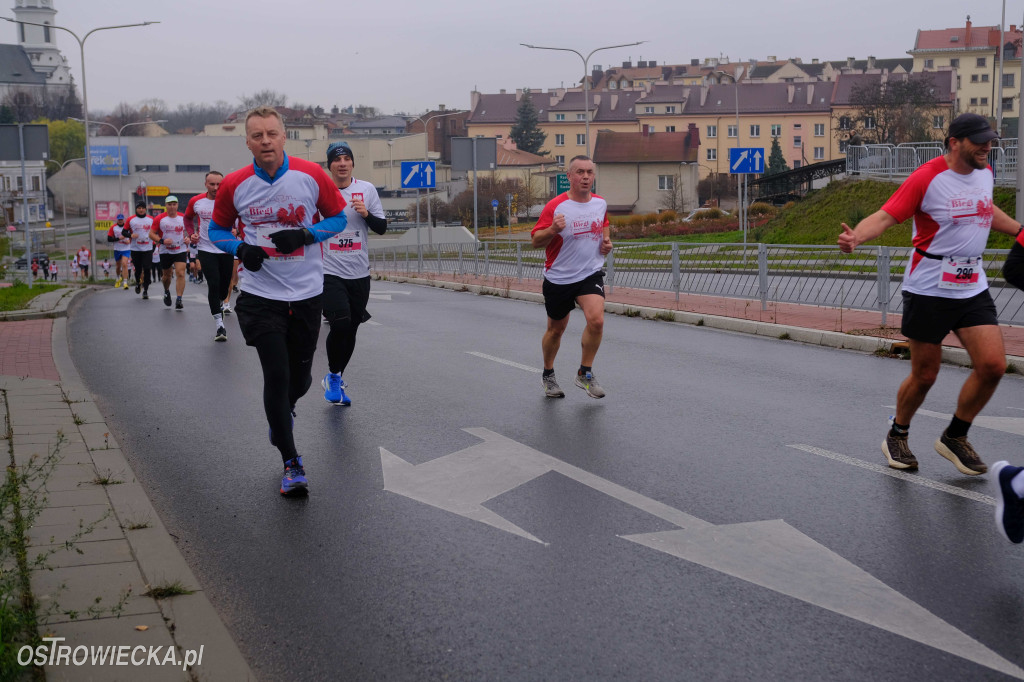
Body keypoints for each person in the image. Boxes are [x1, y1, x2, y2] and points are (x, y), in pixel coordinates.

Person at [838, 113, 1020, 476]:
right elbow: (887, 216)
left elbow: (986, 210)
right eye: (980, 141)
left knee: (993, 366)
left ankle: (955, 436)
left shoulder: (985, 173)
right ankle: (897, 434)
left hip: (971, 284)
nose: (988, 146)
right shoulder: (927, 177)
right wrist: (856, 236)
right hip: (929, 286)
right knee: (925, 374)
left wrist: (1020, 230)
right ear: (954, 142)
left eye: (990, 140)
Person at [208, 106, 347, 496]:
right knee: (277, 374)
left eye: (271, 134)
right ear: (247, 141)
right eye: (257, 135)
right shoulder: (235, 184)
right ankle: (291, 463)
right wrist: (240, 247)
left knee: (300, 380)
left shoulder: (311, 175)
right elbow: (216, 230)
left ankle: (281, 416)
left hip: (306, 293)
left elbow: (337, 219)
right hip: (260, 294)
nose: (265, 141)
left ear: (284, 137)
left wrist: (305, 236)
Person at [531, 155, 613, 399]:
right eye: (580, 172)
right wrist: (553, 229)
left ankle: (584, 373)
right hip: (559, 277)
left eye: (589, 172)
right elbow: (535, 241)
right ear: (569, 177)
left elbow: (604, 225)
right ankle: (548, 374)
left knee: (596, 320)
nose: (585, 176)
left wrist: (606, 244)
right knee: (556, 330)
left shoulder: (600, 203)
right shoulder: (556, 206)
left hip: (589, 273)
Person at [318, 142, 387, 405]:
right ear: (330, 165)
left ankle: (335, 374)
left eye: (347, 158)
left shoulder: (366, 190)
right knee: (340, 323)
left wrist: (366, 213)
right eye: (337, 160)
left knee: (352, 329)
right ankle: (334, 379)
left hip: (359, 272)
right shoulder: (321, 191)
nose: (342, 163)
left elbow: (381, 228)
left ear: (353, 164)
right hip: (328, 270)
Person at [185, 171, 234, 342]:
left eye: (218, 184)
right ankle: (219, 325)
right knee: (213, 284)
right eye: (212, 184)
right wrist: (192, 234)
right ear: (205, 184)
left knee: (224, 286)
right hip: (206, 248)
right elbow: (187, 218)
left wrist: (237, 230)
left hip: (226, 248)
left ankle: (220, 301)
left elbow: (241, 219)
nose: (215, 188)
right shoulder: (196, 201)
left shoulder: (230, 200)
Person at [149, 196, 189, 310]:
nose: (172, 207)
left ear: (177, 205)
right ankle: (166, 291)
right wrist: (162, 241)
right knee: (166, 276)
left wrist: (188, 238)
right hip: (165, 251)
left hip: (180, 249)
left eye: (174, 204)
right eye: (169, 204)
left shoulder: (183, 217)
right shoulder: (160, 218)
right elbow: (151, 234)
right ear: (166, 205)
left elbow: (189, 232)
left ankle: (179, 299)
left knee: (181, 273)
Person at [126, 202, 154, 299]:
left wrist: (156, 242)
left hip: (148, 248)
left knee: (147, 269)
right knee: (138, 269)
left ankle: (145, 290)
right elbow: (124, 231)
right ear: (136, 209)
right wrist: (130, 235)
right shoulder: (131, 219)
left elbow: (155, 231)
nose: (141, 210)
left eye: (143, 208)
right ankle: (138, 282)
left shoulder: (151, 219)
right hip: (135, 249)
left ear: (145, 209)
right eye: (139, 208)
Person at [106, 214, 131, 289]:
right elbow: (109, 239)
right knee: (118, 266)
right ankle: (118, 278)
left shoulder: (127, 227)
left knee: (124, 264)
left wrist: (129, 241)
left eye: (121, 219)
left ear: (124, 220)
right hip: (117, 249)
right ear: (117, 220)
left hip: (126, 249)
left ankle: (125, 282)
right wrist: (118, 238)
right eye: (119, 220)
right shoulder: (113, 228)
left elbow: (131, 236)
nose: (120, 221)